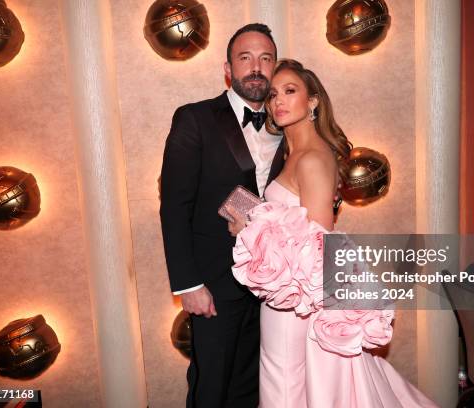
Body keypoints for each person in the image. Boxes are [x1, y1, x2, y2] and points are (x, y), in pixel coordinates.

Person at [228, 59, 438, 407]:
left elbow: (317, 245)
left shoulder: (311, 159)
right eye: (273, 94)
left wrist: (250, 229)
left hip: (296, 301)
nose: (278, 101)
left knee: (284, 387)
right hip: (288, 295)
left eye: (290, 91)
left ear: (313, 101)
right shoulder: (295, 155)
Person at [159, 24, 283, 408]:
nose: (256, 67)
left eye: (265, 58)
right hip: (213, 285)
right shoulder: (195, 118)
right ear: (228, 69)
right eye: (245, 58)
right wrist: (188, 285)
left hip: (271, 288)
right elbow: (174, 206)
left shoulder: (289, 126)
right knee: (211, 387)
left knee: (252, 387)